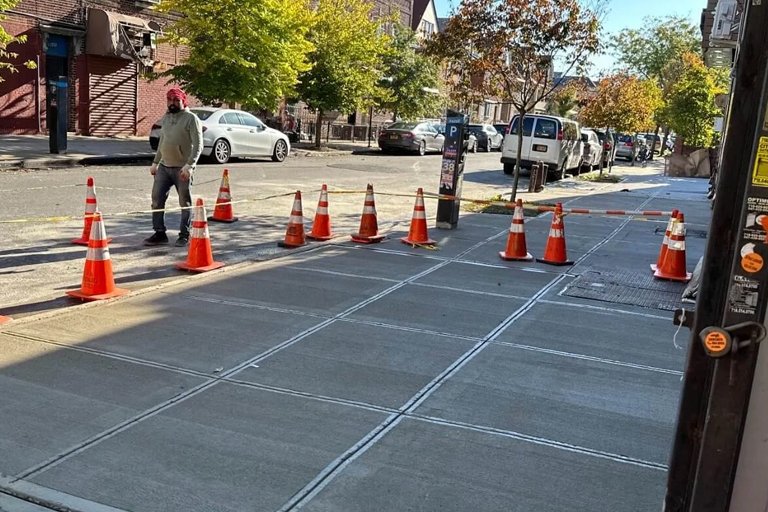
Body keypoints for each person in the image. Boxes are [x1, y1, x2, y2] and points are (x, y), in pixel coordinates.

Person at [144, 87, 203, 247]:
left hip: (182, 169)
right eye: (170, 100)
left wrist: (190, 165)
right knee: (156, 199)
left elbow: (198, 145)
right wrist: (155, 162)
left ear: (183, 101)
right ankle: (159, 233)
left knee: (184, 202)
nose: (172, 103)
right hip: (164, 166)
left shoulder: (191, 119)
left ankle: (184, 234)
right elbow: (163, 140)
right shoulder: (167, 117)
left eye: (176, 100)